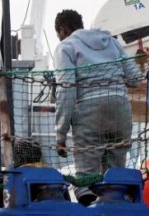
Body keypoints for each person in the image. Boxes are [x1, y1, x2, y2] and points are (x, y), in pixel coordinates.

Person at [53, 9, 142, 205]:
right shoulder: (110, 41)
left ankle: (89, 212)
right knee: (115, 176)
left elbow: (66, 91)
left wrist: (60, 136)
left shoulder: (66, 47)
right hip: (120, 108)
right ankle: (117, 213)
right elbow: (135, 78)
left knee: (86, 179)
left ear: (62, 29)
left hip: (89, 111)